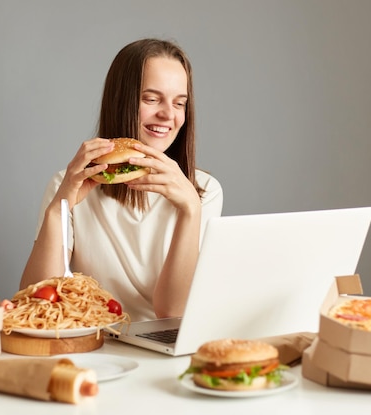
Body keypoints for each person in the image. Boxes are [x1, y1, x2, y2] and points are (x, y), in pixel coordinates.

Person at [20, 38, 223, 321]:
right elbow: (38, 303)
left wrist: (190, 209)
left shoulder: (204, 191)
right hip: (94, 343)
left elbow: (173, 313)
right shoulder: (69, 185)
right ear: (121, 101)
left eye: (179, 103)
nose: (168, 114)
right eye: (151, 99)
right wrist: (59, 208)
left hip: (165, 347)